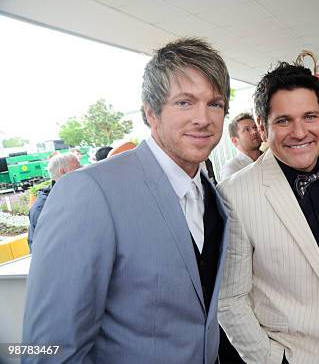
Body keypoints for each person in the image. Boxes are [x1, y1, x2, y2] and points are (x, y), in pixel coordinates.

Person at [22, 37, 230, 364]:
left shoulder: (212, 196)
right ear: (151, 113)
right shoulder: (88, 192)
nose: (203, 118)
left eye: (215, 103)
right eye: (184, 103)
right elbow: (49, 352)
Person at [217, 62, 319, 363]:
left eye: (310, 117)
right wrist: (271, 359)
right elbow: (230, 299)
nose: (300, 132)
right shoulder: (234, 194)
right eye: (284, 121)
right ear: (263, 126)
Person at [27, 152, 81, 249]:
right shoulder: (43, 207)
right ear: (63, 171)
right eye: (78, 167)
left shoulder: (72, 193)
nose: (83, 168)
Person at [219, 112, 262, 181]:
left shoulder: (272, 157)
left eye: (255, 127)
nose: (254, 131)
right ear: (235, 140)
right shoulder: (231, 169)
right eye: (246, 129)